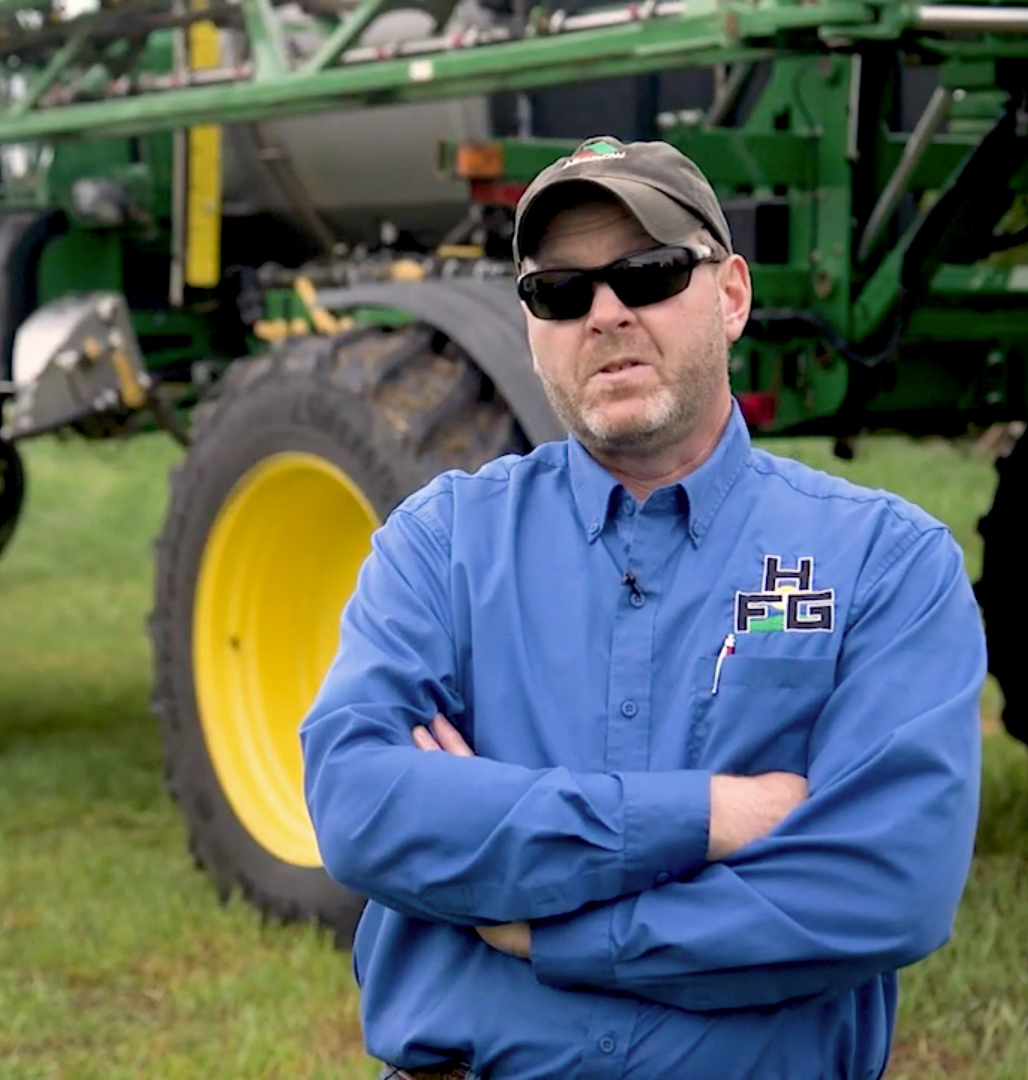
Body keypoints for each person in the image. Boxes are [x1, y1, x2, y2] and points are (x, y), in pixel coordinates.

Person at [299, 134, 986, 1080]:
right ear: (531, 325)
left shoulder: (883, 563)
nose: (607, 314)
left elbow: (885, 882)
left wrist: (547, 928)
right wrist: (701, 817)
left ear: (733, 294)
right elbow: (363, 804)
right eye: (562, 292)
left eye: (651, 272)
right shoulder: (443, 544)